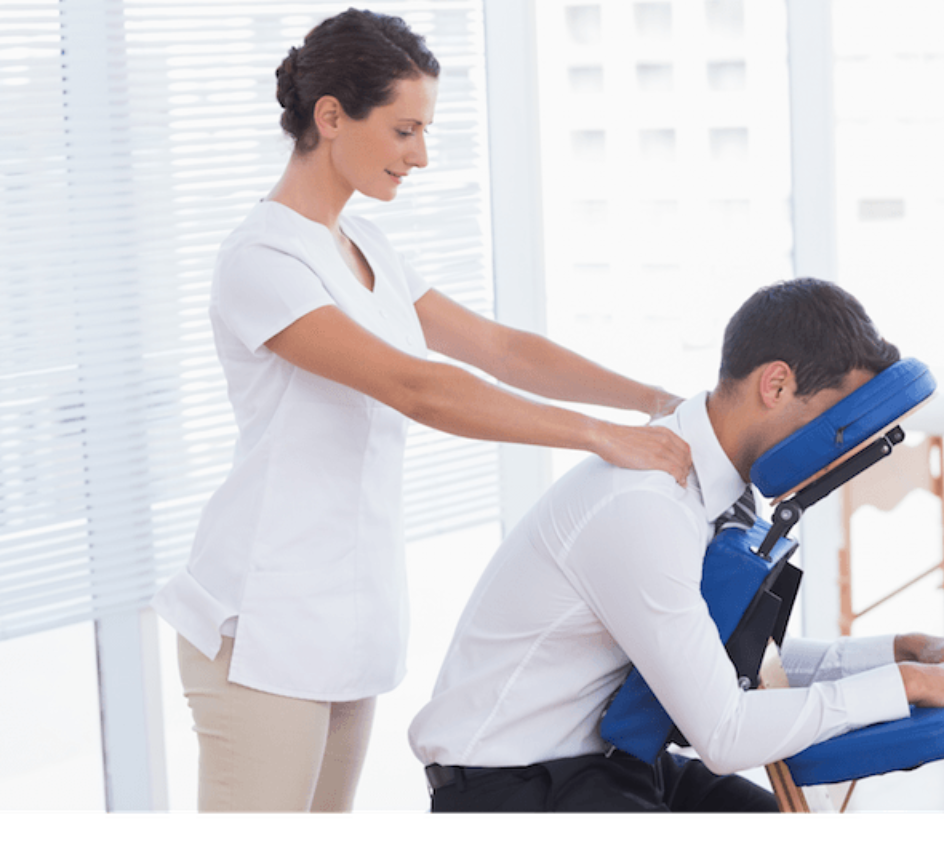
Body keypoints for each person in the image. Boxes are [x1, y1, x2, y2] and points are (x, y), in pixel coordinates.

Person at [149, 9, 690, 816]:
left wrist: (657, 403)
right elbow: (417, 387)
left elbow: (502, 350)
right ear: (331, 116)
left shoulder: (368, 246)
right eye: (404, 129)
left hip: (341, 624)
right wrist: (602, 436)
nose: (422, 155)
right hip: (258, 626)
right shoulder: (261, 260)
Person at [409, 278, 944, 815]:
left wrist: (904, 654)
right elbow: (725, 732)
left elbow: (727, 664)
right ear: (776, 384)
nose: (839, 451)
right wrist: (906, 686)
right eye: (837, 420)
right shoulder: (647, 504)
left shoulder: (717, 490)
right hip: (513, 788)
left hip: (606, 766)